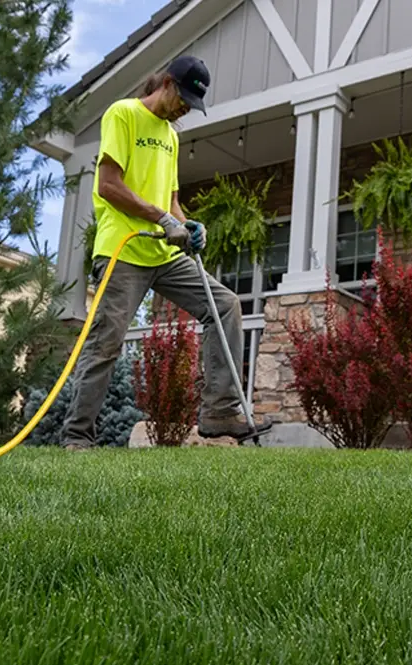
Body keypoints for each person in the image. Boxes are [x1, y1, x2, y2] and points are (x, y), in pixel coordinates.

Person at [61, 55, 273, 450]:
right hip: (122, 251)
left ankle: (219, 413)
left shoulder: (171, 136)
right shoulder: (122, 114)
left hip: (163, 253)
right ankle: (77, 436)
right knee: (106, 342)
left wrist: (187, 224)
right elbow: (109, 185)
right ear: (169, 84)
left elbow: (171, 202)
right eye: (184, 101)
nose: (185, 111)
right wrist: (162, 218)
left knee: (225, 305)